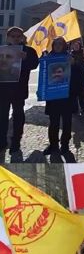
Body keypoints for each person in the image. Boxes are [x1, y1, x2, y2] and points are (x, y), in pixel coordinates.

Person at [42, 37, 84, 158]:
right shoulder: (49, 57)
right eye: (56, 44)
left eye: (60, 44)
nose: (58, 46)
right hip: (53, 96)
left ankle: (64, 144)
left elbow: (81, 76)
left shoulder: (70, 58)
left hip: (67, 95)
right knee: (53, 122)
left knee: (67, 122)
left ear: (64, 46)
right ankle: (53, 145)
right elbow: (44, 76)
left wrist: (74, 64)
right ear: (53, 45)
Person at [0, 26, 39, 158]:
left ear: (22, 37)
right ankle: (2, 141)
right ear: (8, 37)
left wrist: (26, 58)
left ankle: (16, 141)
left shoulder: (29, 50)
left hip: (19, 90)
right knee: (2, 117)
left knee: (18, 116)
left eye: (18, 36)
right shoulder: (2, 50)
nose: (16, 39)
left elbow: (34, 64)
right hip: (3, 90)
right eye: (13, 36)